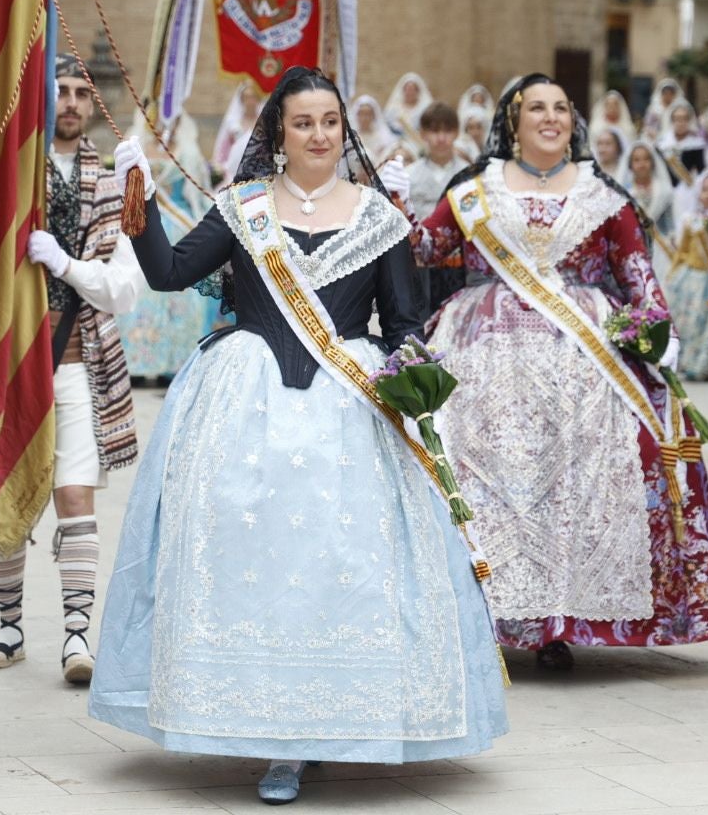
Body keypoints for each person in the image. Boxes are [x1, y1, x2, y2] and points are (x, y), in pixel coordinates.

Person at [90, 67, 508, 805]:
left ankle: (337, 722)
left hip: (349, 410)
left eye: (330, 122)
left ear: (344, 131)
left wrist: (414, 373)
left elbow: (404, 322)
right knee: (245, 557)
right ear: (277, 135)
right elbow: (167, 272)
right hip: (243, 402)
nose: (320, 135)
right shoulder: (243, 207)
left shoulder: (379, 217)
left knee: (338, 564)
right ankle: (263, 731)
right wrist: (141, 198)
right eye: (304, 123)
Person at [417, 74, 708, 671]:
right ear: (513, 122)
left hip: (586, 353)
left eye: (561, 107)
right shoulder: (473, 191)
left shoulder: (603, 197)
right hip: (483, 349)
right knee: (487, 471)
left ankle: (564, 620)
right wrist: (382, 206)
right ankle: (481, 612)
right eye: (536, 107)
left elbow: (639, 276)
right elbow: (427, 249)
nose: (550, 117)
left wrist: (653, 333)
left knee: (585, 473)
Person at [0, 55, 144, 683]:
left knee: (75, 494)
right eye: (61, 91)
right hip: (13, 366)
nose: (71, 102)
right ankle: (10, 626)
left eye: (81, 92)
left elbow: (126, 289)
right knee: (3, 496)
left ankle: (78, 637)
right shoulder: (13, 179)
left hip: (79, 361)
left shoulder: (111, 183)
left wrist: (68, 267)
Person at [115, 113, 220, 386]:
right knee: (138, 288)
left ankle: (173, 363)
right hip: (146, 221)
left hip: (177, 224)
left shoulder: (186, 150)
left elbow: (194, 190)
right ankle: (137, 361)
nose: (165, 127)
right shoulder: (136, 142)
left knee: (181, 297)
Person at [663, 169, 708, 382]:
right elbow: (682, 251)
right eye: (705, 190)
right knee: (688, 322)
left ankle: (705, 365)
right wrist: (673, 273)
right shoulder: (690, 219)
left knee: (707, 323)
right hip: (690, 279)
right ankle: (687, 363)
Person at [406, 102, 468, 220]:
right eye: (435, 131)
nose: (441, 138)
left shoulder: (469, 175)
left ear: (457, 133)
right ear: (423, 134)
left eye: (447, 131)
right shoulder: (408, 176)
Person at [623, 139, 675, 244]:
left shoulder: (665, 190)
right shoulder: (624, 193)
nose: (642, 164)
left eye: (646, 159)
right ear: (630, 164)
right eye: (636, 160)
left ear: (653, 162)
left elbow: (671, 222)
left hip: (663, 246)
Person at [213, 81, 263, 182]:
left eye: (253, 97)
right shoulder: (233, 124)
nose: (250, 101)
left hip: (258, 174)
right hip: (233, 173)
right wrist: (221, 167)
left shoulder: (264, 124)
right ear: (242, 99)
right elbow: (224, 150)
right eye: (247, 97)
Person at [659, 101, 707, 187]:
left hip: (688, 189)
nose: (680, 123)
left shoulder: (697, 145)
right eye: (677, 119)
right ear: (672, 120)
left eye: (684, 119)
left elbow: (701, 172)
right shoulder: (662, 144)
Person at [384, 71, 435, 146]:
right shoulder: (394, 107)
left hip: (418, 143)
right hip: (394, 142)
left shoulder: (425, 109)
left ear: (418, 91)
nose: (410, 92)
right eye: (407, 89)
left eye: (412, 89)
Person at [349, 92, 400, 165]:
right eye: (361, 114)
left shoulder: (382, 138)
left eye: (367, 114)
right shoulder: (350, 136)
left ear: (374, 116)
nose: (364, 118)